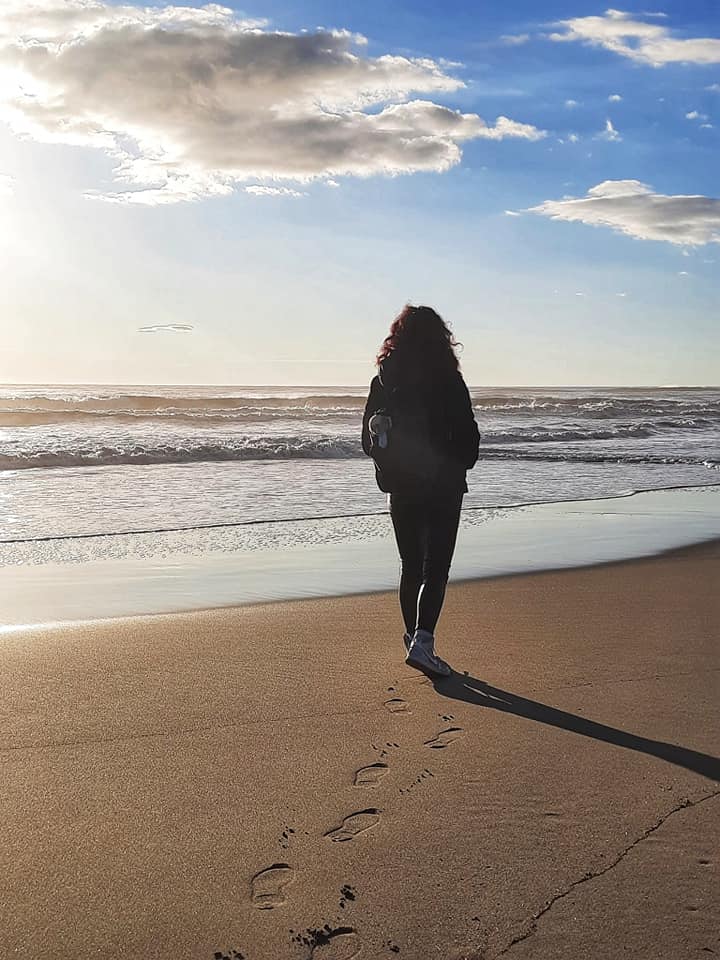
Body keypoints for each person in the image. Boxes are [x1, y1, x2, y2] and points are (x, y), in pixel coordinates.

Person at [362, 305, 480, 677]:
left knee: (411, 566)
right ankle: (423, 642)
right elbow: (468, 439)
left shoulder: (383, 381)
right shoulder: (448, 380)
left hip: (400, 484)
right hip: (443, 485)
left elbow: (367, 442)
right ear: (441, 339)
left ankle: (413, 637)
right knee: (437, 569)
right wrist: (458, 461)